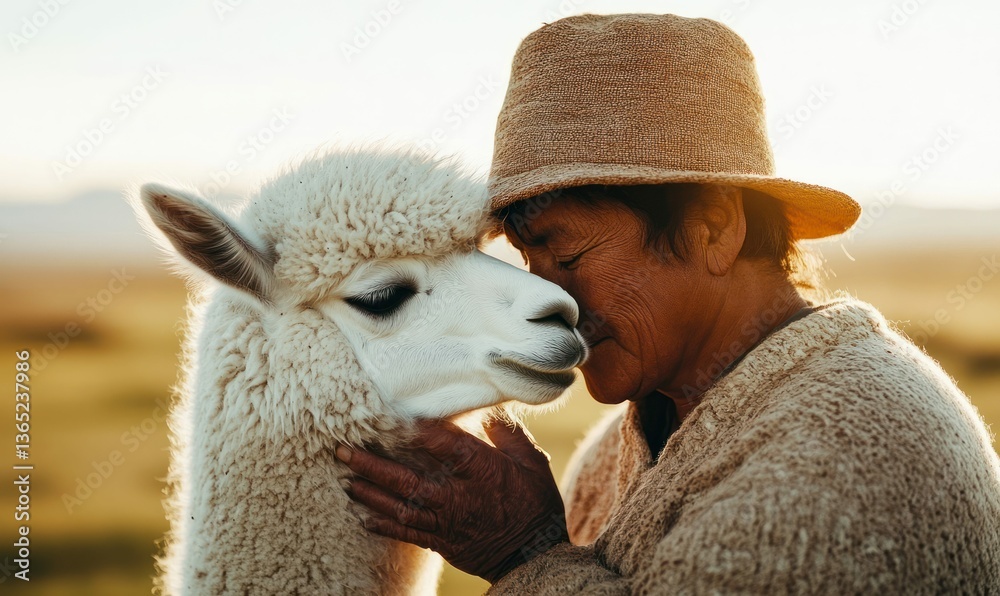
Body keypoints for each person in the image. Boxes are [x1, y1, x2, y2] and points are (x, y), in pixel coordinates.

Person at [334, 13, 1000, 592]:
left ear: (713, 226)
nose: (544, 295)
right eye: (527, 259)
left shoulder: (843, 463)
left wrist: (522, 553)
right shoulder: (634, 432)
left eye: (567, 257)